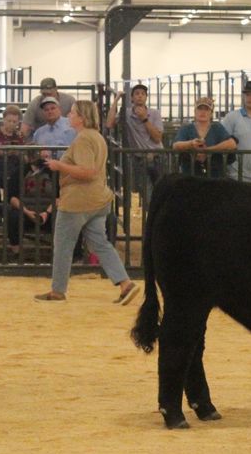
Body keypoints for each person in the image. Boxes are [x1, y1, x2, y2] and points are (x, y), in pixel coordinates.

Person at [33, 100, 140, 303]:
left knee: (63, 244)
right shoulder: (96, 137)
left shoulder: (83, 139)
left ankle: (58, 290)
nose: (69, 116)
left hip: (77, 201)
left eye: (73, 113)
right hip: (97, 200)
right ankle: (125, 283)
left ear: (81, 117)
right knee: (101, 243)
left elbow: (87, 172)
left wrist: (59, 166)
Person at [105, 82, 163, 209]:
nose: (140, 96)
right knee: (147, 193)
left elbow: (157, 137)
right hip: (140, 158)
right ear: (131, 98)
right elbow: (109, 124)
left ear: (146, 97)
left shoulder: (154, 114)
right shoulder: (127, 114)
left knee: (161, 191)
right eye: (137, 94)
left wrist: (144, 118)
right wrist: (116, 100)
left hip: (158, 155)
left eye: (143, 94)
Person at [173, 96, 231, 178]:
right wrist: (190, 144)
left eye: (206, 109)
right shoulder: (186, 128)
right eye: (200, 109)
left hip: (214, 175)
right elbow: (176, 145)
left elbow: (231, 144)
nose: (203, 112)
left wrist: (208, 150)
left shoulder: (217, 127)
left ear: (211, 113)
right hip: (190, 174)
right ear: (195, 112)